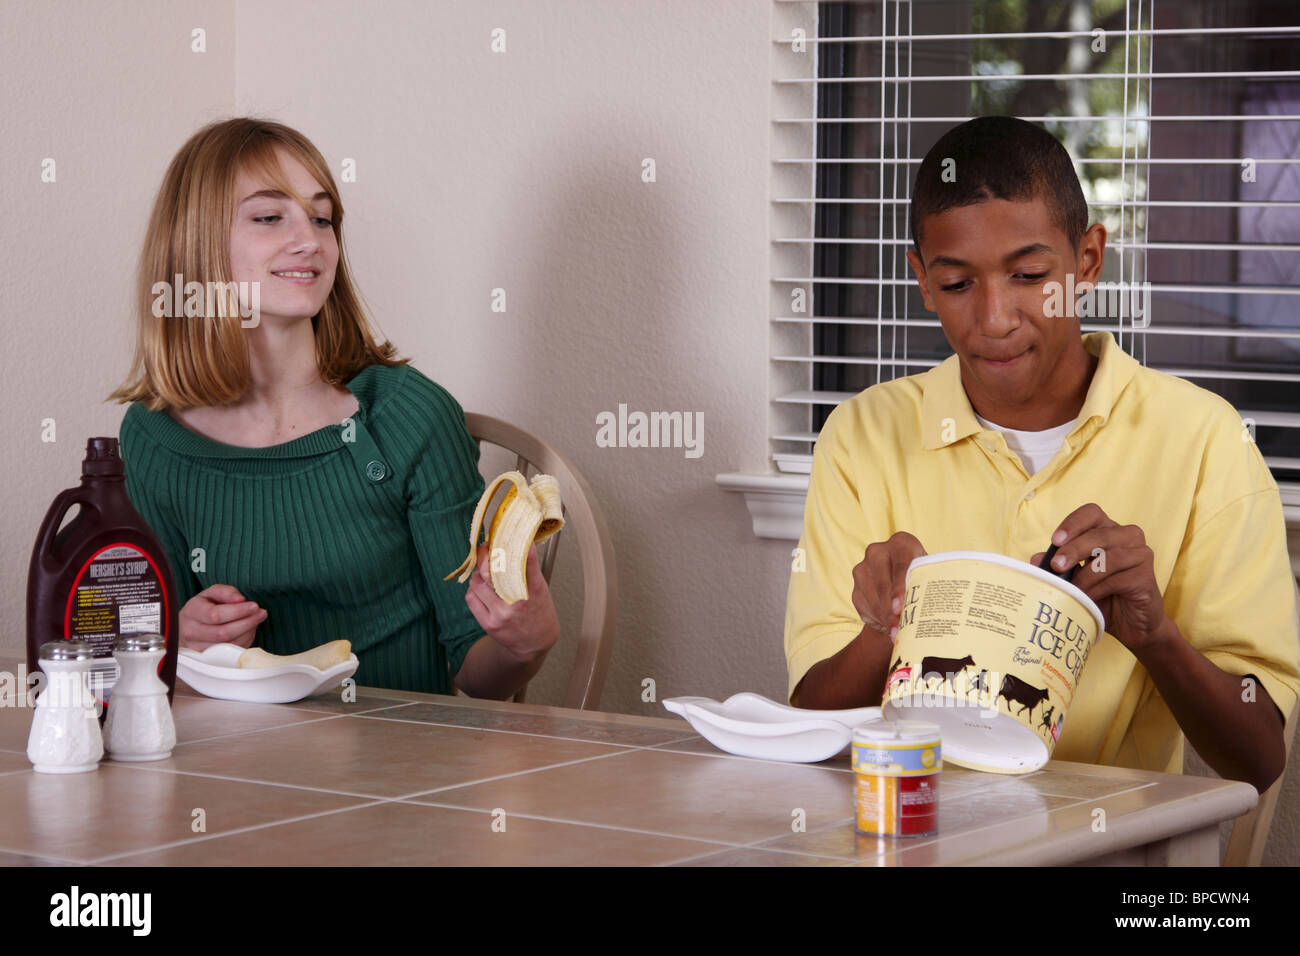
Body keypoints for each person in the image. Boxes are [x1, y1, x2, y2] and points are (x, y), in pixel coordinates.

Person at [784, 115, 1300, 792]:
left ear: (1086, 262)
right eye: (958, 284)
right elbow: (811, 725)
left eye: (1028, 275)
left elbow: (1259, 758)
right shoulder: (862, 436)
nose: (995, 318)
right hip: (907, 837)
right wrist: (885, 630)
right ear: (922, 280)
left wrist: (1155, 637)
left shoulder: (1204, 442)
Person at [111, 117, 559, 698]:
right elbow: (147, 672)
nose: (311, 240)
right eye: (270, 217)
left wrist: (524, 644)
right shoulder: (153, 437)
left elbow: (477, 676)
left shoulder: (407, 416)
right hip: (240, 770)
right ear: (194, 245)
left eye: (322, 217)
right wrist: (181, 639)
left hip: (405, 769)